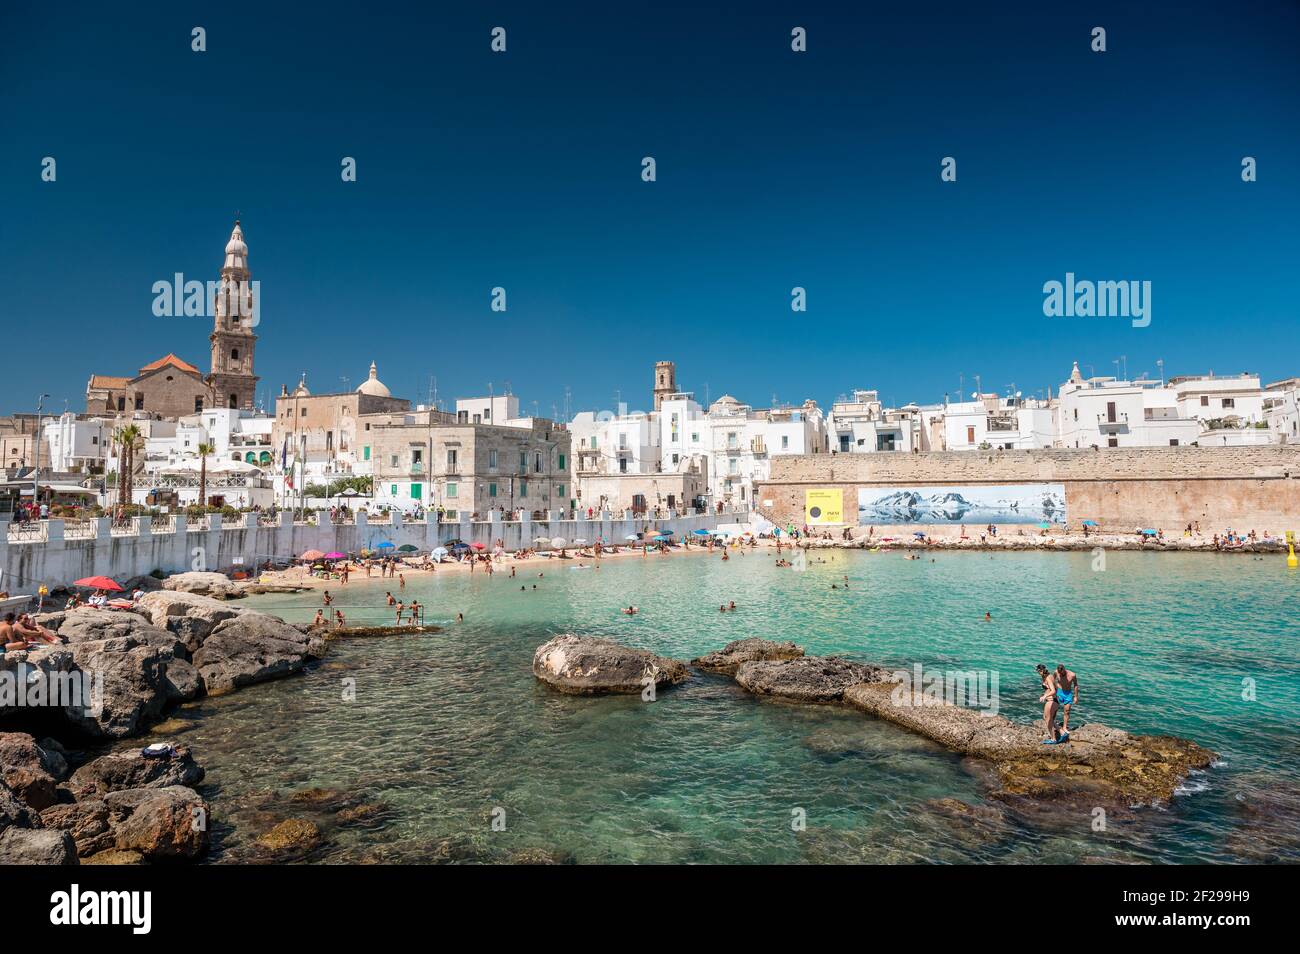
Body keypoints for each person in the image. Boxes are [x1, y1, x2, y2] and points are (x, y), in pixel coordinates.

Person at [1053, 664, 1079, 736]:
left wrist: (1076, 696)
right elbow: (1053, 679)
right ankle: (1053, 723)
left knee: (1067, 711)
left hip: (1068, 694)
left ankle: (1064, 727)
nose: (1060, 674)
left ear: (1064, 670)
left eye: (1062, 673)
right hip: (1059, 692)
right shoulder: (1056, 672)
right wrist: (1055, 688)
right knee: (1054, 709)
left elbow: (1076, 685)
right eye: (1059, 673)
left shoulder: (1072, 675)